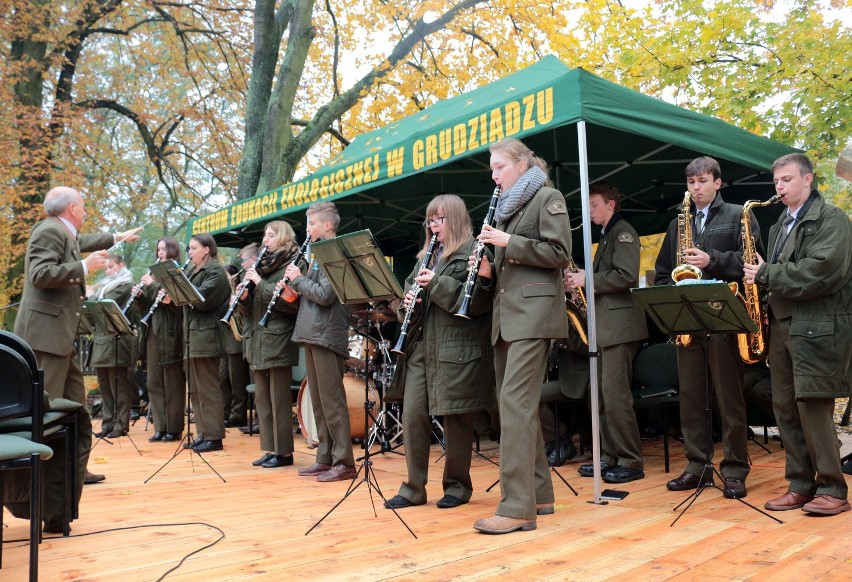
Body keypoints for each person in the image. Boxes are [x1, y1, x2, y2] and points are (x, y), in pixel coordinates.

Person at [13, 186, 138, 530]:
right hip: (45, 339)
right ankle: (28, 496)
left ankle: (71, 477)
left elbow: (83, 242)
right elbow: (41, 274)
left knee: (76, 410)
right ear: (71, 208)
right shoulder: (48, 231)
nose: (85, 212)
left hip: (59, 339)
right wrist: (82, 267)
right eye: (82, 207)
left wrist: (115, 237)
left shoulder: (62, 232)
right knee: (42, 414)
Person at [473, 138, 572, 534]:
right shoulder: (508, 207)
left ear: (519, 163)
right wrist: (486, 268)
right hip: (508, 317)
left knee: (514, 405)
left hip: (532, 315)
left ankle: (517, 508)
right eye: (492, 171)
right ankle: (540, 493)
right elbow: (514, 266)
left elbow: (560, 253)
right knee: (513, 406)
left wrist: (507, 242)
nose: (494, 176)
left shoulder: (547, 196)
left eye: (499, 167)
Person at [744, 153, 851, 515]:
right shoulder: (777, 226)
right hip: (784, 326)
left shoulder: (832, 218)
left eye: (787, 179)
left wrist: (766, 274)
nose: (779, 187)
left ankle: (833, 489)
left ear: (808, 179)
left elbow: (823, 271)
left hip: (817, 327)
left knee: (813, 406)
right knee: (785, 407)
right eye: (776, 181)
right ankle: (801, 484)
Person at [653, 156, 759, 499]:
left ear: (718, 183)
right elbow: (661, 272)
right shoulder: (677, 224)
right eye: (691, 183)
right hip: (689, 322)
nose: (696, 188)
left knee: (729, 399)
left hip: (725, 317)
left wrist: (710, 260)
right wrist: (670, 292)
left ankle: (734, 469)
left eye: (702, 181)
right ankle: (696, 465)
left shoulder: (737, 215)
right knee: (692, 399)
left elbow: (753, 262)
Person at [383, 194, 495, 510]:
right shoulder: (425, 258)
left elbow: (476, 303)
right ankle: (413, 488)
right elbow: (407, 307)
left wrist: (435, 284)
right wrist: (406, 306)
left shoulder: (474, 253)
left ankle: (458, 487)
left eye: (439, 219)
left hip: (456, 349)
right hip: (421, 348)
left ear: (455, 219)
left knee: (457, 417)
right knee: (413, 415)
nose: (433, 226)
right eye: (430, 220)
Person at [566, 181, 649, 484]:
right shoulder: (606, 233)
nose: (589, 211)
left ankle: (631, 461)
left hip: (620, 329)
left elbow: (626, 276)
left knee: (615, 397)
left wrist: (587, 278)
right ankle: (610, 456)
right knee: (600, 397)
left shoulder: (623, 232)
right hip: (606, 329)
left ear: (611, 204)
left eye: (594, 205)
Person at [287, 202, 356, 482]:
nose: (308, 229)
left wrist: (299, 280)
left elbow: (326, 295)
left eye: (312, 223)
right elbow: (309, 291)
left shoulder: (336, 252)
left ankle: (345, 462)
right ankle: (325, 457)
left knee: (332, 401)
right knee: (318, 401)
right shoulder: (315, 253)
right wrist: (294, 284)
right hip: (311, 331)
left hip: (327, 332)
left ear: (327, 225)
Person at [239, 221, 302, 468]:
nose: (265, 239)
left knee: (278, 401)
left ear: (284, 238)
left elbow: (291, 305)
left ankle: (284, 452)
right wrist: (244, 299)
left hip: (278, 338)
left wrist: (260, 284)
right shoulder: (263, 266)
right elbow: (253, 309)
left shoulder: (291, 265)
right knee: (263, 401)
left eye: (271, 235)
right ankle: (270, 448)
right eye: (265, 235)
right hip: (258, 339)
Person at [182, 234, 231, 453]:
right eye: (189, 248)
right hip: (193, 336)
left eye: (193, 248)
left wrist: (179, 286)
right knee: (195, 389)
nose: (189, 252)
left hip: (208, 335)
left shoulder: (216, 271)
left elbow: (201, 300)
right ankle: (203, 433)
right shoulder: (193, 271)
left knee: (208, 388)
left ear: (207, 250)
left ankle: (214, 436)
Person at [139, 236, 186, 443]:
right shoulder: (153, 274)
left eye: (163, 249)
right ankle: (160, 426)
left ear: (172, 251)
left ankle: (174, 428)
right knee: (154, 382)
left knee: (172, 383)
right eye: (158, 249)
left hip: (169, 332)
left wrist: (151, 285)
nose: (159, 253)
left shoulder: (178, 272)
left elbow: (176, 300)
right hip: (152, 333)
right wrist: (140, 296)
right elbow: (150, 306)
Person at [88, 254, 136, 438]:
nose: (108, 271)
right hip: (101, 341)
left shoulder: (125, 285)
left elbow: (105, 306)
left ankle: (121, 425)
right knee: (105, 386)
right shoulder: (104, 287)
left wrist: (91, 294)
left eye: (111, 267)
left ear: (121, 265)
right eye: (106, 268)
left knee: (118, 385)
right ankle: (108, 423)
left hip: (117, 341)